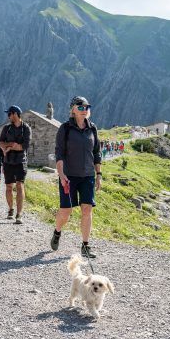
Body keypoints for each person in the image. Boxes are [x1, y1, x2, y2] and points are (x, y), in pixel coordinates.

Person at [50, 96, 101, 259]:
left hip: (87, 176)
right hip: (69, 176)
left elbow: (96, 153)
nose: (84, 109)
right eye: (80, 107)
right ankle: (57, 232)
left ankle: (85, 246)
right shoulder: (65, 129)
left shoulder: (92, 129)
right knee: (66, 212)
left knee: (87, 209)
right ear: (73, 109)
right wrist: (61, 174)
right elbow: (59, 153)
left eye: (87, 106)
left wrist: (98, 174)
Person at [0, 105, 31, 224]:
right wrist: (12, 144)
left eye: (9, 114)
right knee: (8, 187)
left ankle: (19, 213)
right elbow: (1, 143)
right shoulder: (6, 128)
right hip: (8, 161)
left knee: (19, 185)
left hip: (21, 161)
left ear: (15, 114)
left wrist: (10, 146)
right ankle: (11, 209)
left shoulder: (26, 128)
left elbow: (24, 146)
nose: (8, 116)